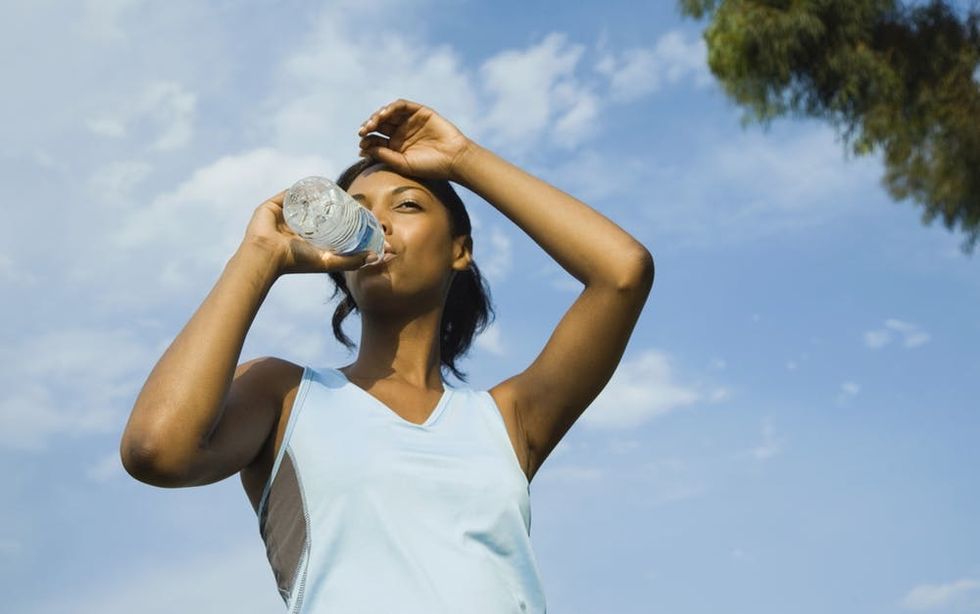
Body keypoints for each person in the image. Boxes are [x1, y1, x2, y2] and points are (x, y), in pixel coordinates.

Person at [120, 98, 655, 613]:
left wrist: (463, 159)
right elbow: (156, 450)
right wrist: (259, 257)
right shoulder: (283, 395)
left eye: (406, 204)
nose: (379, 225)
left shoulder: (508, 419)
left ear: (459, 249)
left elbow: (622, 272)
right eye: (357, 212)